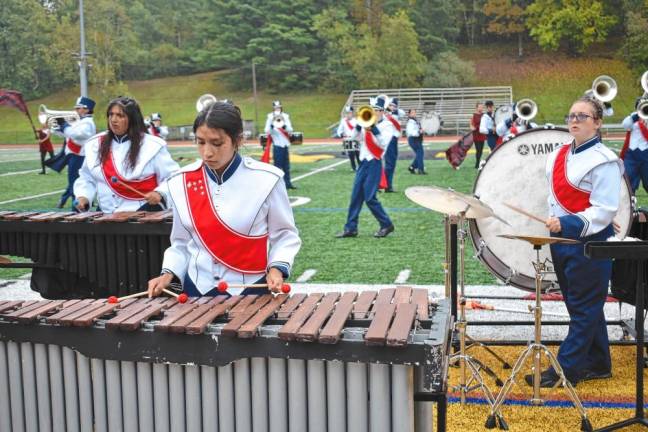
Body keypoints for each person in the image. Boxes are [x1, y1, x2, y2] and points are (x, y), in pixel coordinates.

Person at [147, 102, 301, 297]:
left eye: (217, 143)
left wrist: (276, 268)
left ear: (238, 140)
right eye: (201, 142)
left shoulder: (267, 180)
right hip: (197, 289)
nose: (207, 152)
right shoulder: (180, 182)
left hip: (249, 290)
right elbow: (181, 242)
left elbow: (285, 234)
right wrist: (168, 273)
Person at [530, 96, 622, 388]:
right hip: (561, 241)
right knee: (580, 305)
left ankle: (565, 370)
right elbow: (557, 200)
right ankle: (598, 362)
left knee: (583, 309)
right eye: (571, 115)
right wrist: (559, 224)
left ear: (597, 123)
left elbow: (605, 209)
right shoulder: (557, 155)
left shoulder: (605, 161)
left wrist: (568, 222)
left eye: (583, 116)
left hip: (589, 244)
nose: (574, 120)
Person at [73, 96, 180, 214]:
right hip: (105, 214)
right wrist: (84, 196)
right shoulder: (95, 144)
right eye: (111, 114)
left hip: (142, 214)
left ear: (132, 119)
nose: (113, 120)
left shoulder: (153, 146)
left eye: (120, 116)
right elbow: (86, 177)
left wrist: (160, 193)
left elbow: (173, 177)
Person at [336, 96, 395, 239]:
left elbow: (382, 143)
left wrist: (373, 128)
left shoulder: (387, 126)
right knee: (355, 196)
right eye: (372, 110)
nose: (373, 113)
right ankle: (351, 228)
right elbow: (353, 138)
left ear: (382, 111)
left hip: (374, 162)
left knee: (369, 197)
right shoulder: (364, 123)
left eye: (376, 110)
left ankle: (386, 224)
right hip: (363, 162)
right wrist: (358, 125)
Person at [52, 96, 97, 209]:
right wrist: (57, 128)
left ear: (87, 109)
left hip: (80, 158)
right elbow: (68, 135)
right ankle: (72, 206)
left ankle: (76, 210)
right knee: (73, 183)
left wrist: (64, 125)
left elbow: (76, 134)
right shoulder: (80, 121)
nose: (76, 110)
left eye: (79, 108)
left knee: (76, 186)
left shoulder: (88, 123)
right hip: (73, 156)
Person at [264, 100, 295, 189]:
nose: (277, 109)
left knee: (286, 166)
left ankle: (288, 184)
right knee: (277, 166)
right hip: (277, 145)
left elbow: (291, 129)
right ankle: (276, 185)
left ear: (281, 107)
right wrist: (271, 127)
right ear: (273, 108)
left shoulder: (285, 116)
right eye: (276, 108)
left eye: (279, 107)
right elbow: (266, 131)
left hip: (285, 144)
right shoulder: (270, 117)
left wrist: (285, 127)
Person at [619, 97, 648, 193]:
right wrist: (636, 115)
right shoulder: (633, 117)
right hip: (631, 154)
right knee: (628, 183)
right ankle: (630, 206)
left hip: (646, 154)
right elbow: (625, 125)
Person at [384, 97, 404, 192]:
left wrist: (394, 109)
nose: (393, 107)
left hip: (394, 140)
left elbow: (403, 113)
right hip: (389, 141)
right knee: (389, 164)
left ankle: (388, 185)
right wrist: (387, 110)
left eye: (394, 105)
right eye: (391, 105)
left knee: (392, 164)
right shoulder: (385, 115)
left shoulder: (395, 113)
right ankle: (385, 185)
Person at [336, 106, 361, 171]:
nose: (348, 114)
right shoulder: (343, 121)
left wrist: (359, 137)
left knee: (357, 154)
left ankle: (360, 166)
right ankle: (354, 167)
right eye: (347, 113)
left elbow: (359, 131)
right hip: (347, 140)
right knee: (351, 154)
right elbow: (339, 130)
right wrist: (341, 134)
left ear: (352, 113)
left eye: (349, 113)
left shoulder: (356, 121)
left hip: (355, 139)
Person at [406, 109, 425, 174]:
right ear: (409, 114)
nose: (414, 114)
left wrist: (420, 130)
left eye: (414, 112)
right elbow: (411, 132)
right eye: (412, 113)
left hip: (417, 139)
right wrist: (419, 131)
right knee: (420, 154)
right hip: (413, 139)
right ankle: (420, 170)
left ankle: (412, 167)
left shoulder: (414, 121)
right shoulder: (410, 122)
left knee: (420, 154)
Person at [471, 103, 486, 168]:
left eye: (482, 107)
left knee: (481, 150)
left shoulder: (484, 115)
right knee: (478, 149)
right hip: (476, 134)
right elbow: (471, 124)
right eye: (479, 107)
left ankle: (478, 162)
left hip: (482, 134)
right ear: (476, 108)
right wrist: (472, 128)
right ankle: (477, 163)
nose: (481, 108)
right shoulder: (473, 115)